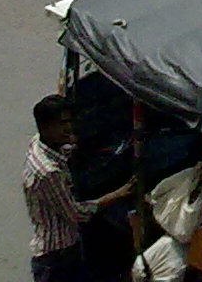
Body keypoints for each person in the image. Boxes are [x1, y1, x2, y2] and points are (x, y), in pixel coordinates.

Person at [25, 93, 135, 282]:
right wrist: (118, 194)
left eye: (69, 122)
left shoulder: (39, 143)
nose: (69, 128)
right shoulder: (49, 172)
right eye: (62, 124)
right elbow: (76, 214)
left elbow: (65, 151)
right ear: (46, 127)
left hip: (62, 254)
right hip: (58, 259)